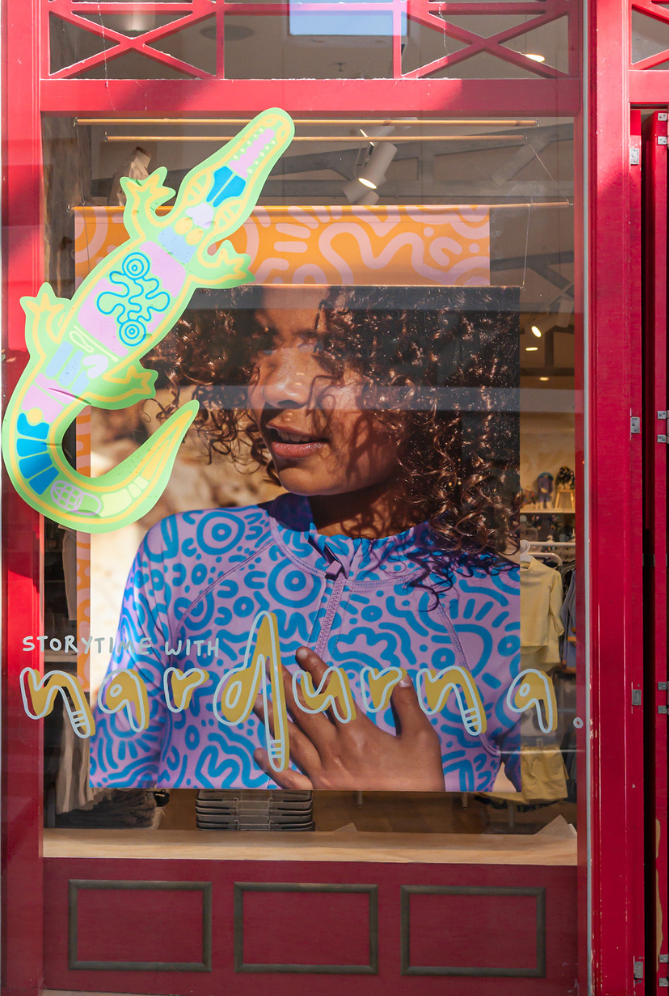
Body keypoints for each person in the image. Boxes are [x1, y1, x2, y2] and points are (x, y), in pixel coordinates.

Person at [89, 285, 522, 792]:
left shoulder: (498, 603)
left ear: (431, 377)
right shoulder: (186, 554)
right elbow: (116, 792)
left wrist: (416, 814)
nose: (276, 388)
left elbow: (571, 827)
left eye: (333, 351)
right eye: (264, 343)